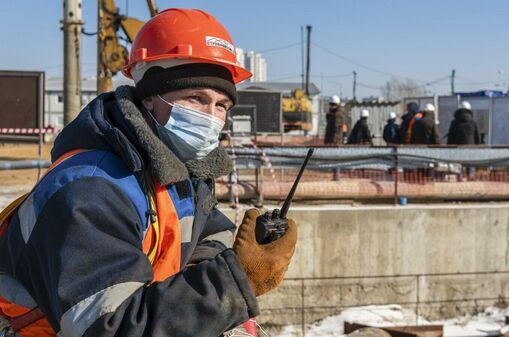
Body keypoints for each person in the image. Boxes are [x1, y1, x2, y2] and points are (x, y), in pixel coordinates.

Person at [0, 8, 297, 337]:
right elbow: (112, 329)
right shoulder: (90, 190)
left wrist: (227, 269)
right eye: (196, 98)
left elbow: (206, 235)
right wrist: (232, 282)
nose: (212, 118)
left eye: (221, 105)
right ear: (150, 98)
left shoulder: (179, 170)